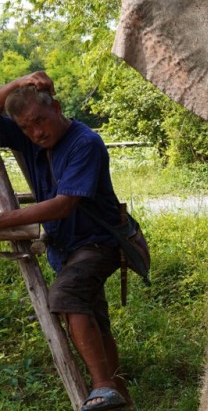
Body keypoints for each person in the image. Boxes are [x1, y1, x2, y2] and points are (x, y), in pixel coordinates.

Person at [0, 71, 130, 411]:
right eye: (26, 127)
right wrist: (16, 84)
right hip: (67, 250)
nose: (36, 132)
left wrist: (3, 220)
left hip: (98, 243)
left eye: (40, 121)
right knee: (96, 322)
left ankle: (102, 387)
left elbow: (63, 204)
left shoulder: (85, 142)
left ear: (56, 107)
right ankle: (120, 396)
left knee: (68, 297)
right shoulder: (29, 138)